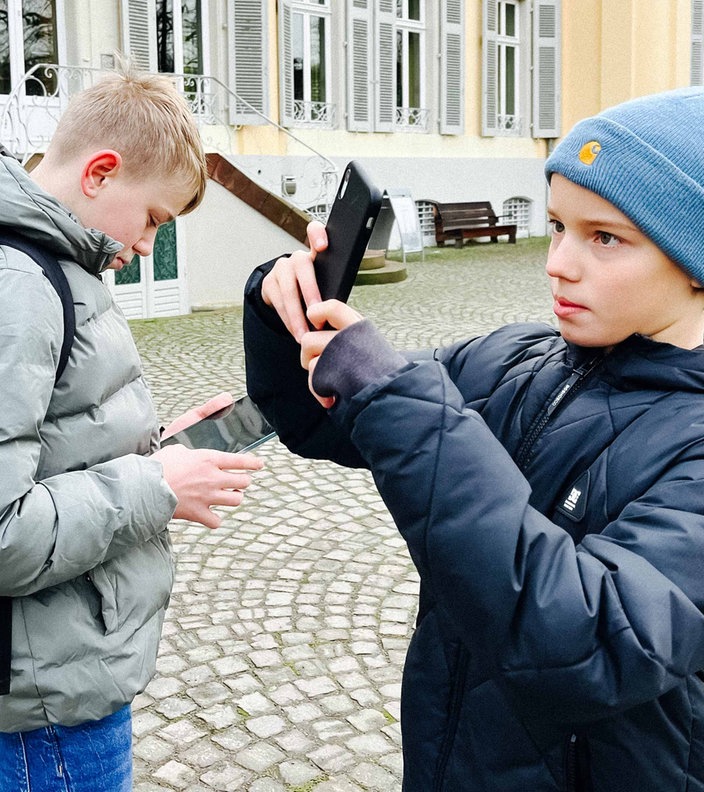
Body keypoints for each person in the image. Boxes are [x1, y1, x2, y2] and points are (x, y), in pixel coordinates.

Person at [243, 87, 704, 791]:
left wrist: (394, 395)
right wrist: (285, 316)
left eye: (604, 237)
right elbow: (320, 421)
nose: (558, 262)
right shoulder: (518, 357)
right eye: (555, 226)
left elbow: (587, 642)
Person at [0, 65, 263, 791]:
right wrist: (155, 483)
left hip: (57, 680)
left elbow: (55, 444)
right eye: (152, 218)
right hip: (42, 714)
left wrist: (159, 447)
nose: (149, 244)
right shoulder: (20, 285)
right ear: (101, 172)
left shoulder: (55, 267)